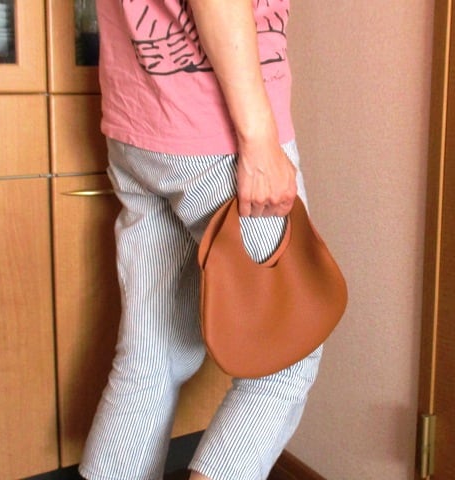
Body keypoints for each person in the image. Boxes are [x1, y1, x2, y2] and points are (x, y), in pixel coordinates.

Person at [78, 1, 323, 480]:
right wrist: (259, 142)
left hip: (138, 129)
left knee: (152, 358)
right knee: (284, 357)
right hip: (214, 135)